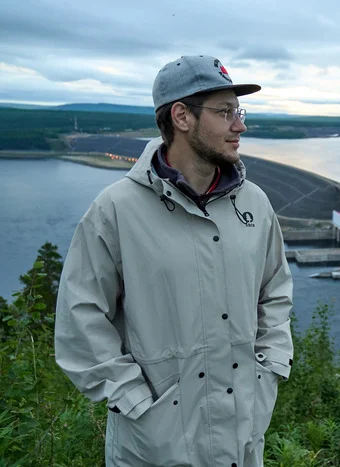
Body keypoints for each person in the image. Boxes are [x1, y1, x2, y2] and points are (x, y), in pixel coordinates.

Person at [54, 55, 294, 467]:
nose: (240, 125)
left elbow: (275, 292)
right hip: (153, 449)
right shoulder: (116, 210)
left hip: (242, 442)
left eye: (239, 111)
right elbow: (80, 318)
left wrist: (267, 370)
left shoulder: (254, 203)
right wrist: (136, 399)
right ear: (182, 116)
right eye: (225, 112)